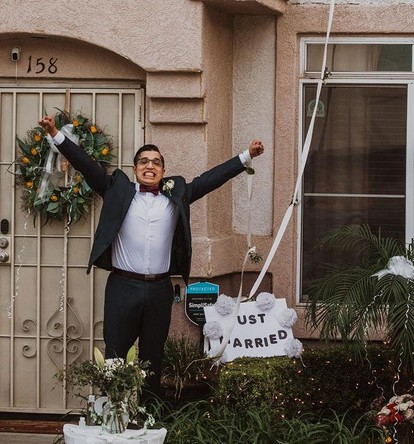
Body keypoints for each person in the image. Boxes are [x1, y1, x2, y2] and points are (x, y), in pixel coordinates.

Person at [39, 114, 264, 393]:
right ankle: (115, 411)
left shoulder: (176, 193)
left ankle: (148, 410)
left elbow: (210, 179)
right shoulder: (117, 189)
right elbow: (86, 164)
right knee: (115, 356)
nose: (150, 165)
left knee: (152, 359)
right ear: (135, 168)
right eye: (144, 161)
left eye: (156, 162)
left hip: (160, 290)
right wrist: (55, 134)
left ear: (163, 170)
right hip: (123, 287)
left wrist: (246, 156)